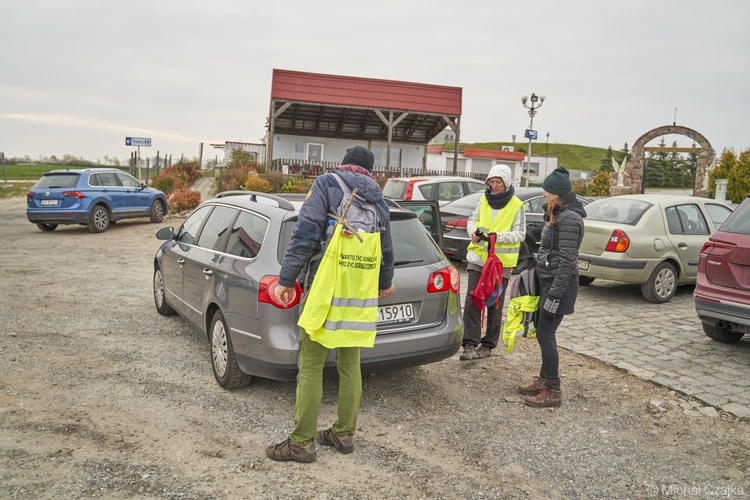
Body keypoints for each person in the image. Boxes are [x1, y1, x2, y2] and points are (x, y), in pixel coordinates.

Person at [266, 146, 395, 463]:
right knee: (351, 365)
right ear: (369, 171)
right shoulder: (378, 200)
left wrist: (286, 280)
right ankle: (344, 433)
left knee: (310, 365)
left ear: (344, 164)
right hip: (359, 294)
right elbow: (387, 248)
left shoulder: (327, 184)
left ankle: (301, 442)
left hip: (325, 289)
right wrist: (384, 282)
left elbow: (305, 234)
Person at [518, 165, 586, 407]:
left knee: (546, 334)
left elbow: (568, 261)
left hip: (560, 286)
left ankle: (553, 389)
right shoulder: (558, 214)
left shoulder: (569, 218)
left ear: (557, 193)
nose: (544, 194)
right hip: (549, 281)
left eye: (547, 191)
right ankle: (544, 379)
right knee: (543, 331)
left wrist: (554, 296)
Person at [460, 164, 526, 361]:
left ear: (506, 184)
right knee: (473, 299)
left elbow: (520, 233)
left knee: (494, 303)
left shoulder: (517, 205)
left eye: (498, 182)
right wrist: (473, 233)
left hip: (501, 264)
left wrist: (498, 237)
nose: (494, 186)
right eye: (492, 182)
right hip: (478, 259)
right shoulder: (483, 200)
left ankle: (488, 344)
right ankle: (469, 344)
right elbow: (472, 220)